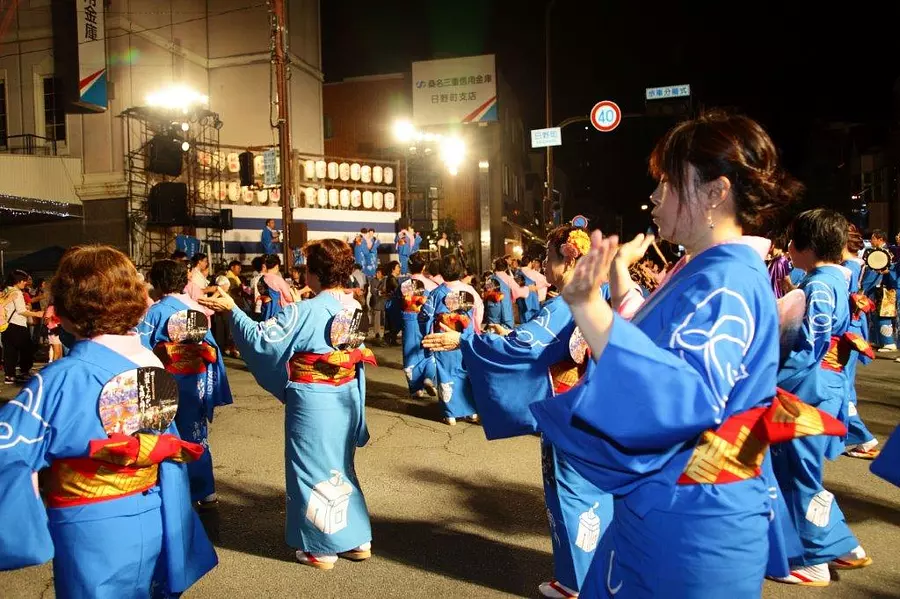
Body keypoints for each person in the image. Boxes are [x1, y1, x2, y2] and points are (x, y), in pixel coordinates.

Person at [530, 112, 845, 597]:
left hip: (693, 513)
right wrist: (603, 292)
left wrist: (589, 307)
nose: (655, 196)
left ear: (716, 192)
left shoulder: (726, 280)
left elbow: (676, 395)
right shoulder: (712, 272)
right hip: (676, 500)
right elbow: (652, 355)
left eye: (667, 182)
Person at [0, 245, 217, 596]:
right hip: (151, 506)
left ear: (69, 307)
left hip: (89, 522)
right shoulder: (149, 362)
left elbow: (8, 449)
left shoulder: (61, 377)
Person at [423, 225, 613, 598]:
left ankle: (578, 583)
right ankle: (603, 573)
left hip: (567, 410)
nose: (543, 265)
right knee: (597, 492)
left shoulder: (565, 303)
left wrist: (464, 340)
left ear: (567, 258)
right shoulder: (601, 293)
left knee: (570, 493)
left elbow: (521, 347)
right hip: (599, 406)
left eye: (548, 257)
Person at [199, 238, 375, 571]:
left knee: (310, 467)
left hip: (314, 398)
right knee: (340, 464)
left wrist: (233, 310)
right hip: (346, 392)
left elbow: (262, 340)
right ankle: (355, 537)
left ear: (315, 274)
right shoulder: (353, 306)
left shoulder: (304, 310)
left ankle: (320, 547)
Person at [772, 209, 872, 586]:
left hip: (806, 389)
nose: (788, 247)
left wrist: (770, 381)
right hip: (823, 386)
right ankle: (844, 547)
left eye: (793, 239)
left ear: (808, 246)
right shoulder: (831, 279)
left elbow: (808, 346)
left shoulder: (817, 286)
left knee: (797, 472)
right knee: (802, 470)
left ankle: (813, 560)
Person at [139, 259, 234, 509]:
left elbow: (141, 346)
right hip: (196, 378)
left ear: (157, 284)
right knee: (196, 432)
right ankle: (206, 490)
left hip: (165, 379)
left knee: (165, 433)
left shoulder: (156, 311)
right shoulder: (196, 308)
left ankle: (176, 490)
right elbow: (211, 347)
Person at [419, 254, 482, 425]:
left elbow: (425, 315)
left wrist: (427, 333)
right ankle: (471, 411)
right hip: (465, 337)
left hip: (443, 338)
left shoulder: (436, 293)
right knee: (466, 372)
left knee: (445, 372)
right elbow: (478, 312)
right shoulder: (470, 291)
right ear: (461, 271)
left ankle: (451, 413)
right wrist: (473, 331)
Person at [841, 224, 880, 460]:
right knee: (846, 385)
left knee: (838, 386)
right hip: (854, 328)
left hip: (846, 330)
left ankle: (863, 437)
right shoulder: (856, 264)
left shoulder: (848, 267)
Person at [400, 252, 438, 397]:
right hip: (427, 321)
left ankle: (417, 389)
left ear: (409, 267)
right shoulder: (432, 285)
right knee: (429, 351)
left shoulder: (404, 285)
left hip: (409, 320)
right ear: (423, 267)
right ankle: (429, 376)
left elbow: (393, 305)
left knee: (411, 354)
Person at [2, 270, 43, 385]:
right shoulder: (17, 292)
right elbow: (21, 311)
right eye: (24, 281)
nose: (25, 283)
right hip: (18, 325)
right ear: (19, 281)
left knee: (10, 351)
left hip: (6, 325)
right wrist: (37, 314)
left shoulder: (5, 291)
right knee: (26, 349)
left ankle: (9, 375)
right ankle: (24, 372)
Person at [861, 229, 897, 350]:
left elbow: (888, 270)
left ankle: (889, 341)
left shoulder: (890, 251)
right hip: (880, 285)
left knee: (884, 313)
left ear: (880, 239)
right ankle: (879, 340)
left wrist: (864, 287)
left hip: (885, 286)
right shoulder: (880, 251)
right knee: (876, 313)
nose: (871, 241)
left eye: (873, 238)